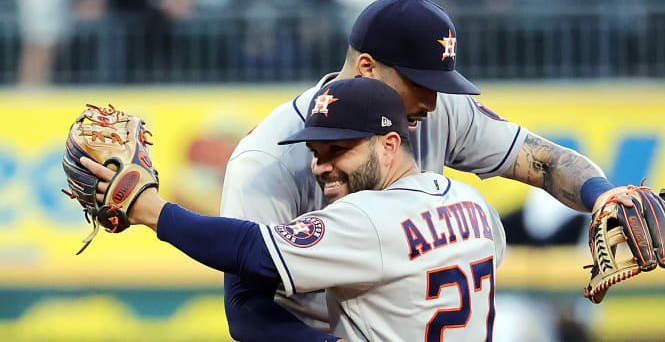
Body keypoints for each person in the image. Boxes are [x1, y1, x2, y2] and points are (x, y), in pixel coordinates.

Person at [219, 0, 636, 338]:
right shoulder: (270, 158)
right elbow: (245, 309)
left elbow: (543, 161)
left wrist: (605, 197)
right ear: (367, 68)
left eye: (440, 85)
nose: (433, 101)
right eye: (421, 83)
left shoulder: (434, 111)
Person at [80, 77, 506, 341]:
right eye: (316, 153)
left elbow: (252, 250)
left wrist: (147, 208)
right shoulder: (471, 203)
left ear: (390, 144)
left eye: (339, 150)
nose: (322, 168)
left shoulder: (369, 219)